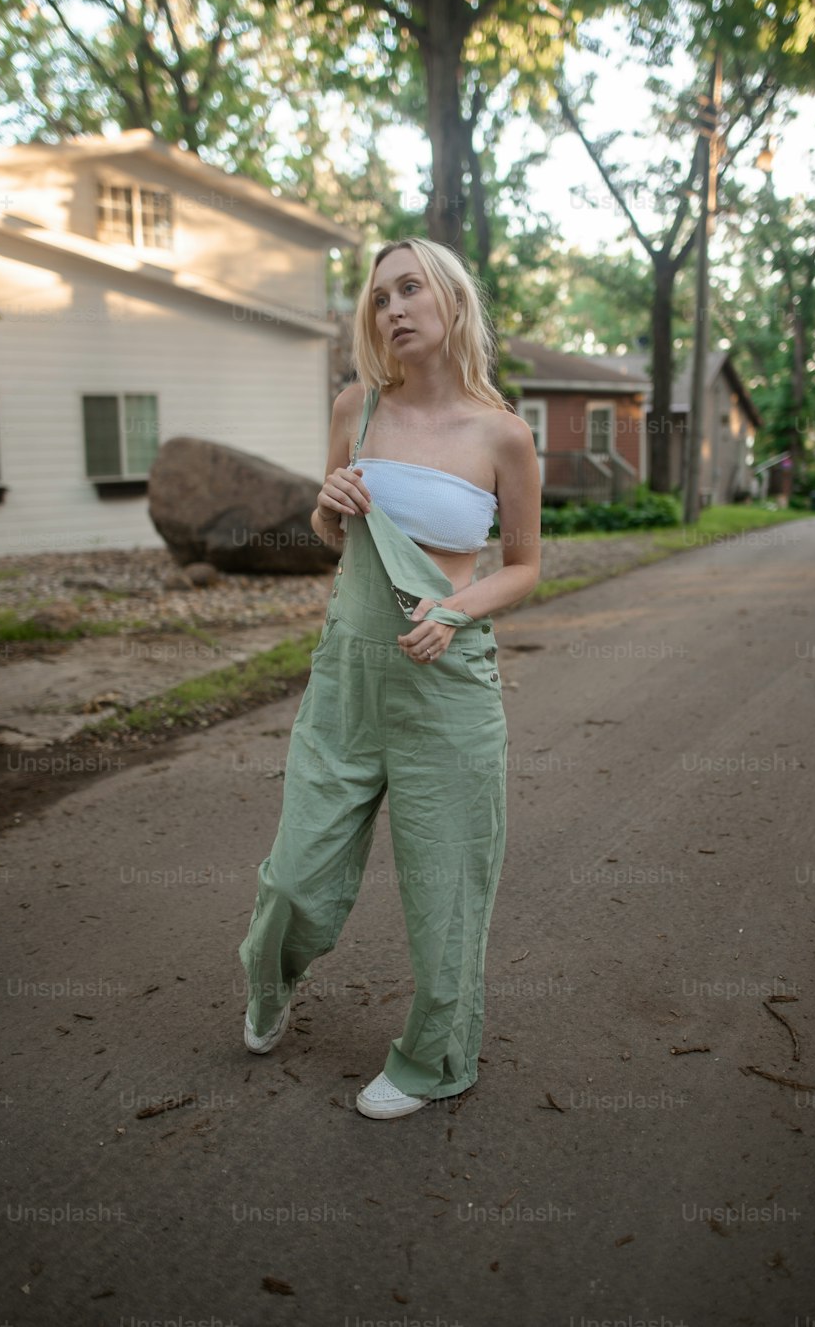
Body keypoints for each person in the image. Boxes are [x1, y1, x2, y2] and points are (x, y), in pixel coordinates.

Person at [237, 236, 542, 1119]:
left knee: (447, 889)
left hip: (446, 682)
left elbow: (523, 567)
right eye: (379, 298)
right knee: (297, 873)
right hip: (348, 676)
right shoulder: (355, 407)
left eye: (411, 289)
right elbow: (332, 535)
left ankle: (435, 1056)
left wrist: (455, 610)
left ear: (451, 300)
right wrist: (326, 507)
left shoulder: (503, 434)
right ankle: (272, 976)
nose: (394, 309)